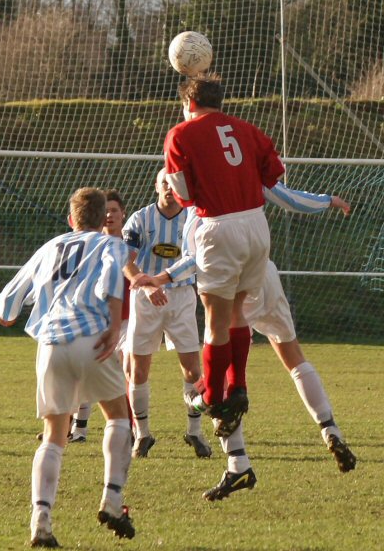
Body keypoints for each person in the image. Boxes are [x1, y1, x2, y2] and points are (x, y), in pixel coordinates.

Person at [133, 181, 356, 500]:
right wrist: (328, 199)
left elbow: (195, 260)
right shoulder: (240, 176)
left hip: (229, 282)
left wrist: (162, 277)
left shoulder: (200, 211)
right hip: (264, 274)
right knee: (293, 357)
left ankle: (237, 462)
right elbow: (285, 196)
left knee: (216, 379)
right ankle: (330, 429)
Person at [0, 188, 135, 546]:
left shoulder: (50, 246)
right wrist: (115, 325)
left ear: (71, 219)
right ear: (104, 217)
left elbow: (9, 302)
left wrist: (8, 315)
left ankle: (40, 519)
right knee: (119, 417)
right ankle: (113, 498)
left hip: (50, 345)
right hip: (91, 337)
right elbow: (111, 280)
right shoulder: (110, 244)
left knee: (54, 435)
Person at [164, 72, 285, 443]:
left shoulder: (180, 134)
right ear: (220, 102)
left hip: (217, 225)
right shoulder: (247, 129)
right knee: (237, 312)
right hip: (256, 225)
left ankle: (213, 397)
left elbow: (183, 193)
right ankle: (238, 387)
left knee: (215, 317)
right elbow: (273, 174)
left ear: (189, 103)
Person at [122, 168, 212, 459]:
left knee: (192, 369)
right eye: (164, 184)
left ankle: (194, 432)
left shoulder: (193, 217)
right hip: (146, 298)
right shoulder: (140, 218)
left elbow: (197, 259)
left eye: (174, 185)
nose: (169, 190)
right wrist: (148, 287)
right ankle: (143, 435)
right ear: (156, 186)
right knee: (139, 369)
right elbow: (126, 259)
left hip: (183, 296)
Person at [69, 189, 131, 443]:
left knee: (126, 372)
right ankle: (77, 429)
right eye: (105, 210)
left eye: (114, 210)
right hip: (94, 321)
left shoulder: (130, 244)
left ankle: (134, 430)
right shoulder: (89, 248)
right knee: (84, 371)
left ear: (123, 214)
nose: (109, 215)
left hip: (127, 321)